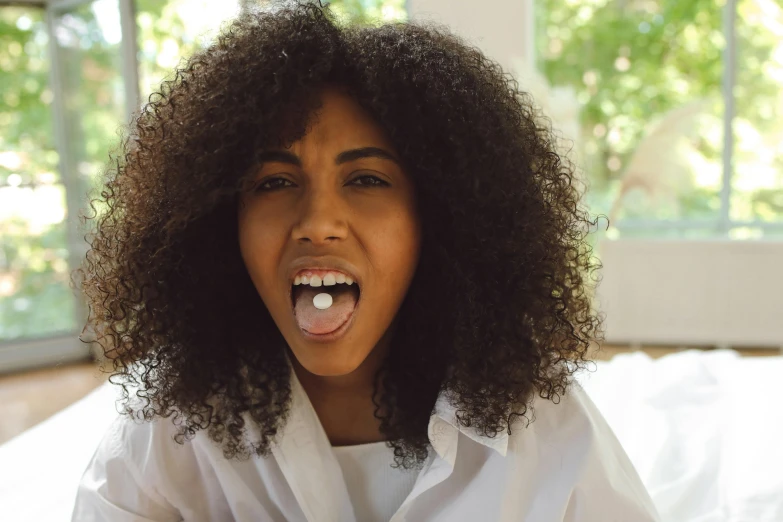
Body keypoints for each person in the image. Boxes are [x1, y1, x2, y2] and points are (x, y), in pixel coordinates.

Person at [71, 2, 660, 521]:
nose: (319, 222)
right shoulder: (172, 422)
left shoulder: (546, 429)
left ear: (437, 216)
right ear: (223, 219)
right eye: (274, 181)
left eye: (367, 179)